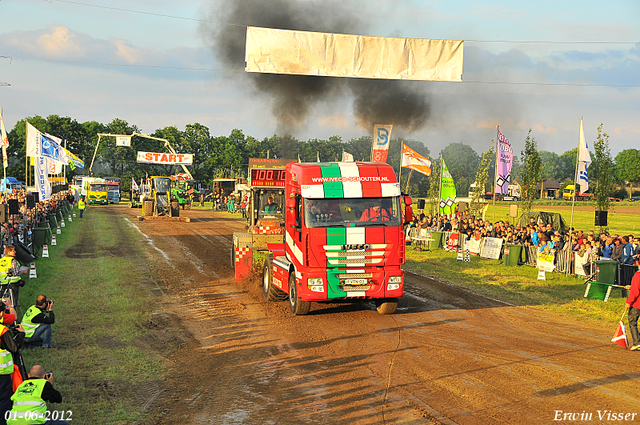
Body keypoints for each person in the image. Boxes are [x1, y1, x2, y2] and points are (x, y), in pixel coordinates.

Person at [0, 303, 24, 425]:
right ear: (1, 314)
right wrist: (21, 335)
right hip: (2, 374)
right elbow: (13, 348)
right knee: (4, 401)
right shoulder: (2, 330)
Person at [625, 271, 640, 351]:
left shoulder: (637, 276)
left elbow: (635, 292)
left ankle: (637, 343)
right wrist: (632, 286)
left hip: (637, 304)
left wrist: (629, 302)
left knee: (633, 322)